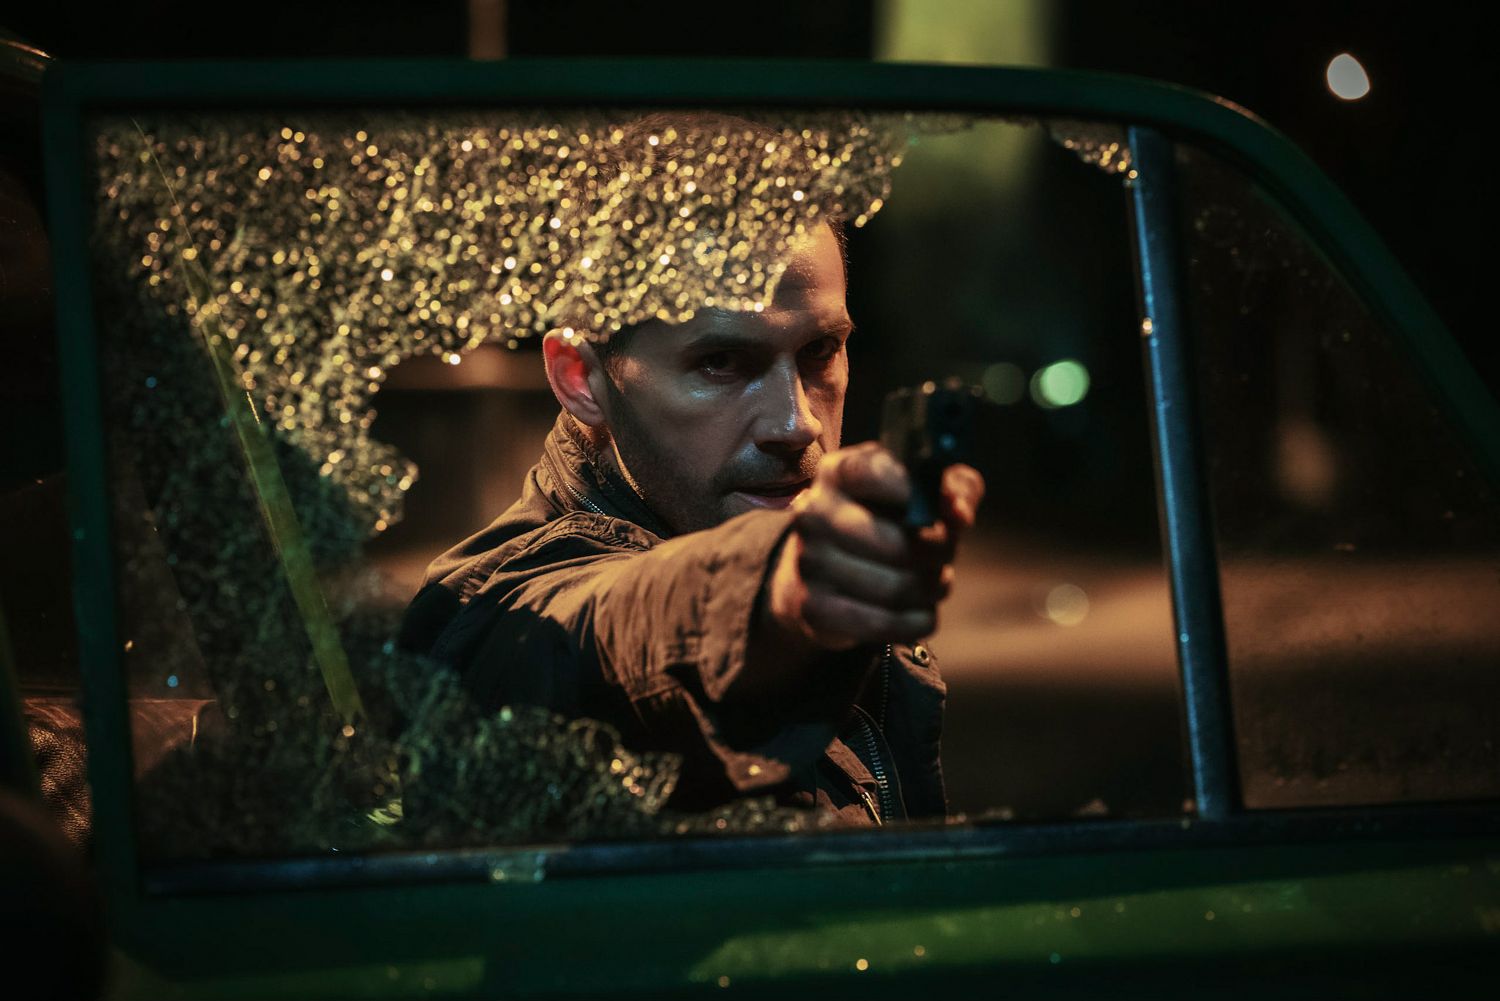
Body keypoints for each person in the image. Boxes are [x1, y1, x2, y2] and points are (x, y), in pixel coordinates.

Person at [400, 138, 984, 827]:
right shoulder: (503, 610)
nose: (796, 422)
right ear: (581, 378)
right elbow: (608, 632)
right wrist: (780, 590)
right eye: (721, 361)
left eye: (819, 351)